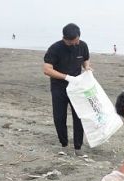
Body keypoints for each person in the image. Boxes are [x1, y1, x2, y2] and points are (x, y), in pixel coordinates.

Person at [43, 23, 91, 156]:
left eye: (76, 40)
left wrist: (86, 68)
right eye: (71, 41)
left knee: (79, 116)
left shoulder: (82, 45)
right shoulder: (55, 48)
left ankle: (78, 147)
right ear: (65, 38)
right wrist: (66, 77)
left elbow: (86, 59)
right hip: (59, 86)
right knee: (59, 116)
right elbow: (47, 70)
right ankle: (64, 144)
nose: (75, 43)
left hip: (77, 86)